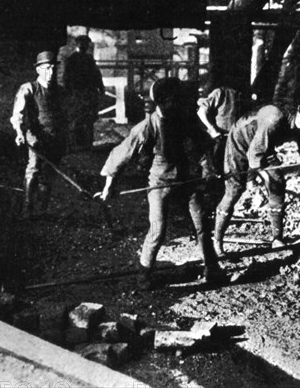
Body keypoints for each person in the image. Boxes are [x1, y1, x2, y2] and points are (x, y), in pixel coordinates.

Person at [96, 77, 225, 290]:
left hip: (186, 181)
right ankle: (144, 276)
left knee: (201, 224)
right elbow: (120, 155)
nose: (179, 103)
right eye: (175, 99)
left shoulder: (184, 120)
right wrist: (109, 187)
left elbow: (203, 146)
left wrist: (210, 169)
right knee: (158, 230)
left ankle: (212, 269)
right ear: (164, 101)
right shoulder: (147, 127)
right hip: (159, 184)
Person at [214, 102, 300, 256]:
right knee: (235, 189)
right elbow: (254, 157)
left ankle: (277, 239)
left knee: (278, 184)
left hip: (263, 145)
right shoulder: (274, 119)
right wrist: (261, 179)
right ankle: (216, 243)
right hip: (241, 141)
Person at [11, 51, 67, 217]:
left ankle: (42, 211)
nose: (50, 72)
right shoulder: (29, 88)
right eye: (46, 69)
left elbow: (64, 115)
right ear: (38, 70)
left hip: (55, 137)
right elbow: (17, 114)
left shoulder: (59, 91)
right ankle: (27, 210)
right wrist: (19, 133)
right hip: (37, 137)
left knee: (49, 173)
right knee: (33, 169)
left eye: (52, 68)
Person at [63, 35, 105, 150]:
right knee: (77, 118)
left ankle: (88, 143)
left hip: (89, 93)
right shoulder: (72, 59)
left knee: (89, 118)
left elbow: (96, 75)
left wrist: (101, 88)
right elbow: (67, 77)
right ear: (77, 45)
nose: (84, 46)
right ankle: (76, 144)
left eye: (85, 44)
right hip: (77, 93)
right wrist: (69, 93)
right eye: (81, 43)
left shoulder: (89, 59)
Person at [197, 85, 243, 174]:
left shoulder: (240, 94)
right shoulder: (220, 92)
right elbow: (201, 112)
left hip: (234, 139)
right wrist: (212, 129)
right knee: (213, 170)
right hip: (219, 139)